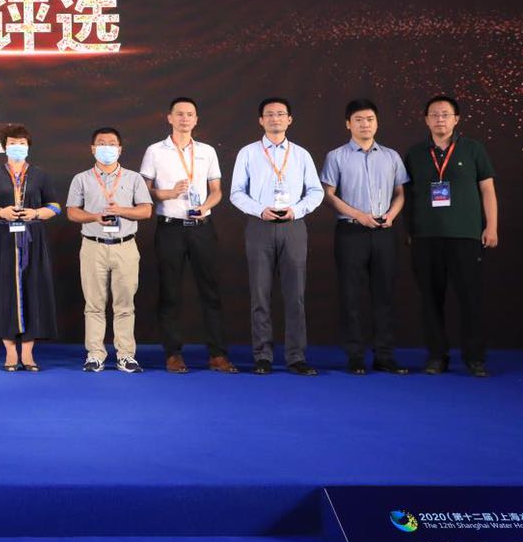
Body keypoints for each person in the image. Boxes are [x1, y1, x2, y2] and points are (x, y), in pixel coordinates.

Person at [403, 94, 498, 377]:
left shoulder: (473, 149)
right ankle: (436, 356)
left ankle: (475, 358)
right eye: (434, 114)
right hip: (425, 236)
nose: (440, 119)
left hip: (465, 235)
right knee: (430, 300)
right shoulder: (415, 153)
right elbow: (406, 195)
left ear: (456, 119)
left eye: (445, 114)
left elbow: (487, 190)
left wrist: (491, 226)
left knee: (471, 298)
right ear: (426, 120)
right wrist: (409, 230)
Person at [138, 97, 235, 373]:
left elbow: (216, 191)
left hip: (202, 227)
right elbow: (142, 190)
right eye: (179, 114)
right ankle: (173, 354)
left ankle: (217, 354)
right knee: (170, 292)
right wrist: (168, 193)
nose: (184, 119)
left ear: (196, 119)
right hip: (170, 227)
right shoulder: (155, 151)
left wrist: (205, 207)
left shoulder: (207, 151)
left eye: (190, 114)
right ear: (169, 118)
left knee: (211, 291)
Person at [229, 97, 324, 375]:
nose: (275, 118)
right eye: (269, 114)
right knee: (260, 293)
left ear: (289, 120)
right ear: (261, 120)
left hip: (293, 226)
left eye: (280, 114)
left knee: (295, 295)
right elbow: (236, 192)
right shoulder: (248, 153)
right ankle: (263, 356)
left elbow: (316, 191)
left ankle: (296, 356)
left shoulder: (301, 154)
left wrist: (297, 210)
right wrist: (260, 210)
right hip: (260, 225)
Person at [319, 99, 409, 375]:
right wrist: (358, 215)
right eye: (358, 120)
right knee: (351, 295)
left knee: (385, 294)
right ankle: (355, 356)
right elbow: (328, 195)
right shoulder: (336, 156)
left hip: (384, 231)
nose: (365, 124)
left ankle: (385, 355)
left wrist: (392, 215)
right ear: (348, 124)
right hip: (351, 232)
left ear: (377, 123)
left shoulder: (391, 156)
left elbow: (400, 193)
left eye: (370, 119)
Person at [65, 127, 154, 373]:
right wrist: (94, 217)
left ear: (120, 149)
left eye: (112, 143)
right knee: (94, 304)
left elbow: (146, 210)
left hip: (125, 246)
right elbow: (72, 212)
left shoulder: (133, 178)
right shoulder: (81, 179)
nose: (107, 148)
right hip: (93, 246)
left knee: (125, 304)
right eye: (101, 143)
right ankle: (95, 354)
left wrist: (121, 211)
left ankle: (126, 355)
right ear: (93, 148)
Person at [0, 123, 63, 371]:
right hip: (3, 239)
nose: (17, 147)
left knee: (33, 290)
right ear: (5, 147)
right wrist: (0, 212)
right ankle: (10, 352)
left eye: (22, 143)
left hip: (33, 237)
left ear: (28, 146)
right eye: (13, 143)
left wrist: (36, 213)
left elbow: (55, 206)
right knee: (4, 292)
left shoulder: (40, 175)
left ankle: (27, 352)